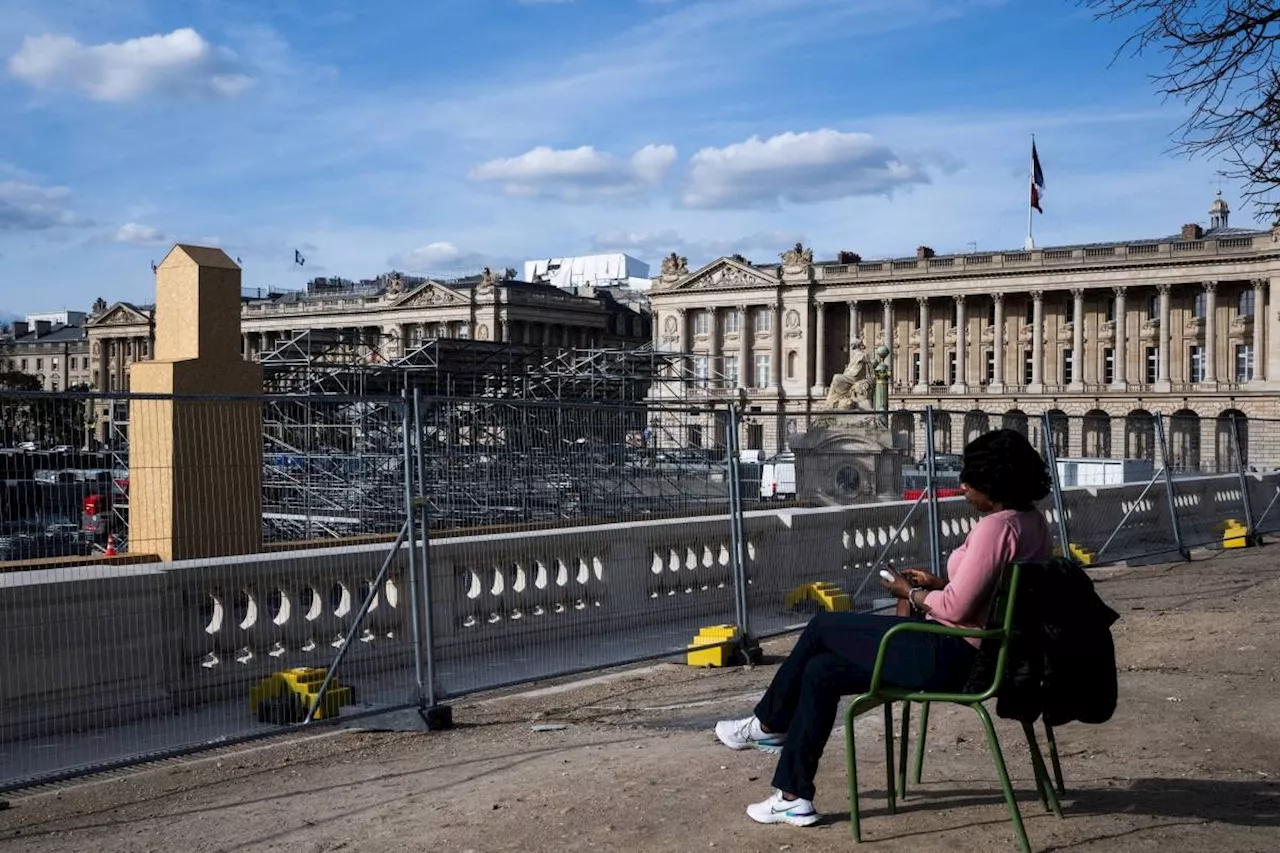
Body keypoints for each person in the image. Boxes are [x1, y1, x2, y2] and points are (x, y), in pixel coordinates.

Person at [714, 428, 1054, 827]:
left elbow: (960, 607)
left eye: (970, 479)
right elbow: (992, 594)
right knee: (820, 672)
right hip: (984, 652)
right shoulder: (1032, 523)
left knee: (822, 625)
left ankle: (768, 723)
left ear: (994, 483)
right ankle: (793, 796)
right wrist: (940, 584)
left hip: (953, 655)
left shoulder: (996, 529)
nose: (962, 486)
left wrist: (908, 592)